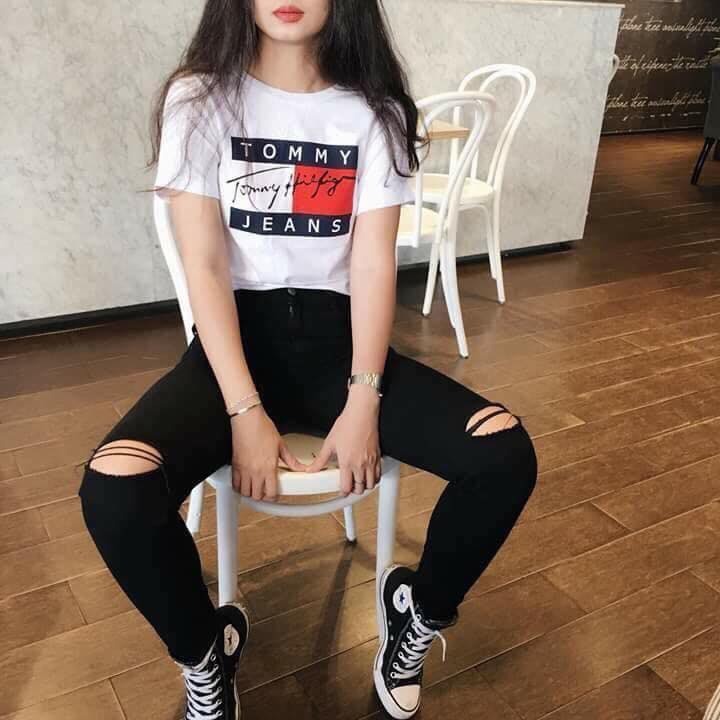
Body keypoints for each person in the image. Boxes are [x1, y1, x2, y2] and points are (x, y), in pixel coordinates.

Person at [77, 2, 538, 719]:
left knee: (504, 456)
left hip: (341, 347)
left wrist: (363, 399)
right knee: (113, 490)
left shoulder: (376, 110)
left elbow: (374, 265)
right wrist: (244, 410)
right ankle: (206, 652)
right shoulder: (198, 99)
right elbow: (203, 266)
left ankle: (415, 613)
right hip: (233, 351)